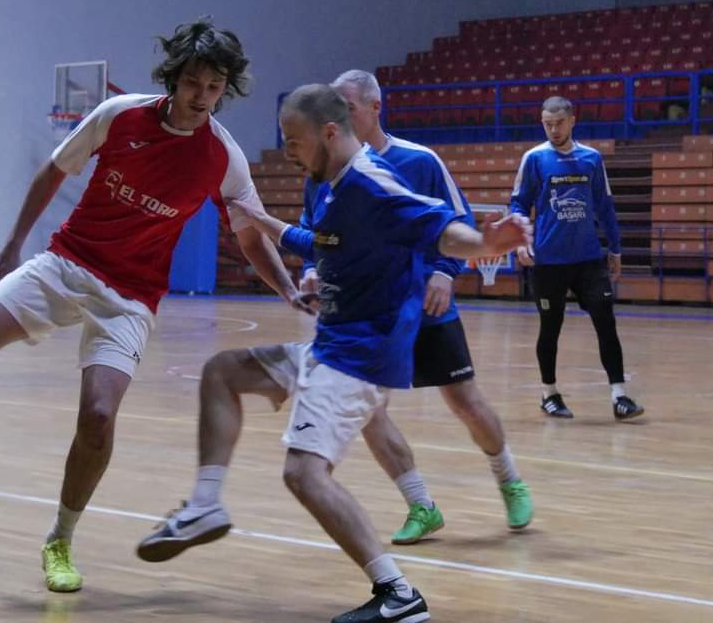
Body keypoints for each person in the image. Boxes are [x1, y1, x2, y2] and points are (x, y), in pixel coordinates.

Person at [0, 20, 307, 593]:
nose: (202, 96)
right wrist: (13, 244)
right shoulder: (119, 115)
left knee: (99, 417)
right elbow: (54, 171)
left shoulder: (222, 157)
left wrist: (287, 290)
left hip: (130, 296)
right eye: (193, 82)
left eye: (214, 86)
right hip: (68, 263)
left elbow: (249, 232)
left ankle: (60, 539)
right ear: (174, 79)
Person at [136, 84, 531, 623]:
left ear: (328, 133)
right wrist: (263, 220)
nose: (288, 152)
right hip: (331, 347)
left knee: (304, 474)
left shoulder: (372, 183)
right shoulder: (328, 184)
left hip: (360, 359)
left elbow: (440, 230)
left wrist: (487, 244)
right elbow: (321, 242)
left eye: (293, 141)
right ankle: (205, 505)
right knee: (223, 371)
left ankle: (397, 594)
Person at [328, 70, 532, 542]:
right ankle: (421, 504)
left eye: (348, 107)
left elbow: (459, 222)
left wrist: (444, 272)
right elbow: (321, 233)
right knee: (369, 411)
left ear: (375, 107)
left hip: (427, 307)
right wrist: (315, 270)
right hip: (369, 315)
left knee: (466, 403)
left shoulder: (419, 161)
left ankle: (510, 481)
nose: (339, 117)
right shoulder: (331, 170)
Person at [510, 96, 644, 420]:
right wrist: (521, 241)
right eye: (548, 124)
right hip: (548, 262)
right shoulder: (534, 158)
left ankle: (620, 396)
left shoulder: (591, 158)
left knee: (606, 320)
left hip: (588, 260)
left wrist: (615, 248)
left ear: (572, 121)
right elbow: (518, 204)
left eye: (559, 123)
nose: (554, 130)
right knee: (550, 326)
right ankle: (549, 394)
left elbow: (605, 206)